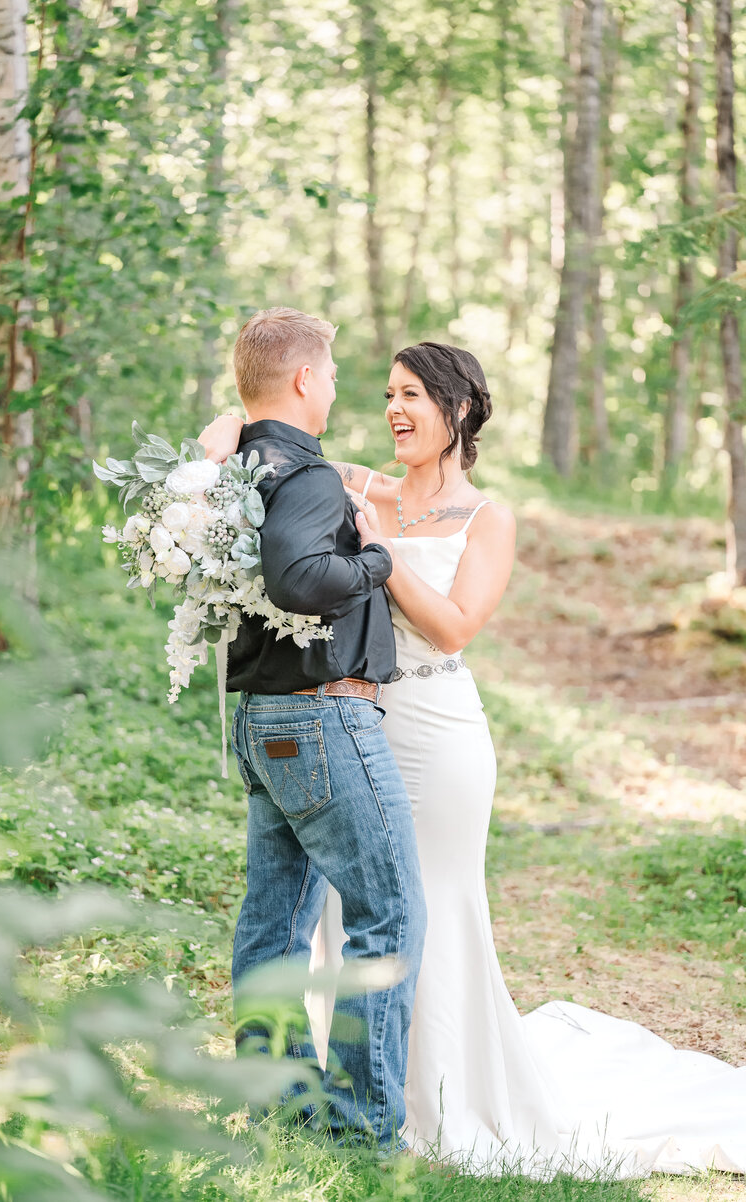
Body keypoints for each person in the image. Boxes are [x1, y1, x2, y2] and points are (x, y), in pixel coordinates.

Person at [202, 339, 746, 1177]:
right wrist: (224, 437)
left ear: (457, 410)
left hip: (441, 732)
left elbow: (455, 625)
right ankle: (359, 1089)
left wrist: (377, 558)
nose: (393, 409)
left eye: (413, 395)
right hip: (354, 720)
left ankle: (448, 1090)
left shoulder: (488, 517)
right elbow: (257, 441)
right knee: (354, 912)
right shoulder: (362, 483)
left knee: (430, 904)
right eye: (386, 393)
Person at [221, 307, 426, 1153]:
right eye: (335, 374)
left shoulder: (231, 472)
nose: (339, 389)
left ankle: (274, 1108)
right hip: (321, 715)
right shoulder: (305, 476)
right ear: (305, 379)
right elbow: (301, 578)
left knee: (274, 924)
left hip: (262, 719)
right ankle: (358, 1128)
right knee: (388, 917)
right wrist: (378, 560)